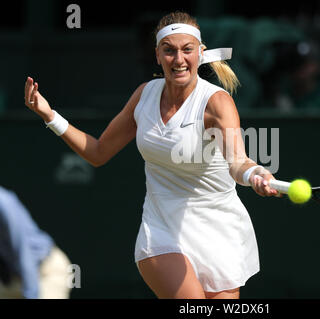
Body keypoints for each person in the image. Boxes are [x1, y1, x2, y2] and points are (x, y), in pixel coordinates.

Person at [23, 11, 278, 299]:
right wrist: (49, 116)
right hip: (161, 229)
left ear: (200, 53)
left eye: (187, 50)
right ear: (157, 55)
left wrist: (254, 173)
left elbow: (238, 161)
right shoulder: (144, 95)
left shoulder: (217, 103)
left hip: (220, 230)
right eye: (169, 50)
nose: (178, 59)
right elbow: (97, 152)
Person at [0, 186, 72, 299]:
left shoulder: (3, 202)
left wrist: (31, 295)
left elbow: (23, 251)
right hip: (11, 279)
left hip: (46, 273)